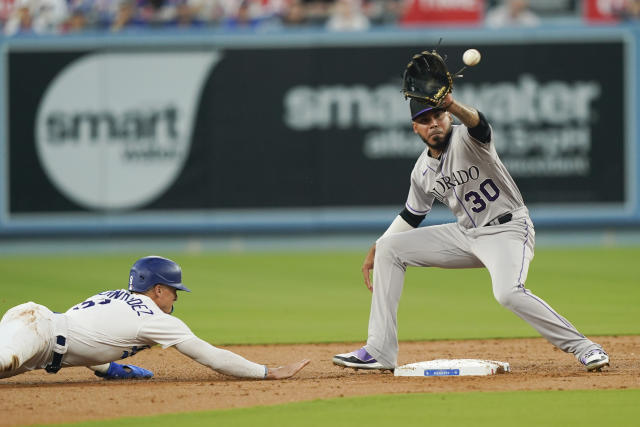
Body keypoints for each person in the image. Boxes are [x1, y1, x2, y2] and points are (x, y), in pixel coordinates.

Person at [332, 91, 610, 373]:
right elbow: (412, 214)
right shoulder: (421, 171)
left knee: (508, 293)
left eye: (438, 116)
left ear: (448, 116)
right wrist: (377, 246)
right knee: (390, 249)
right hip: (466, 235)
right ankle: (380, 350)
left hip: (508, 229)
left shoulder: (469, 139)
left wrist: (452, 103)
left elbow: (479, 123)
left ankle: (585, 347)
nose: (433, 124)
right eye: (424, 120)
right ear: (415, 128)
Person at [0, 256, 310, 380]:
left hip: (33, 327)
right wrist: (268, 371)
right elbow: (211, 357)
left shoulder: (113, 295)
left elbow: (82, 334)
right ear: (158, 289)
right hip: (36, 333)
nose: (176, 296)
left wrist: (110, 369)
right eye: (174, 290)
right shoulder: (154, 318)